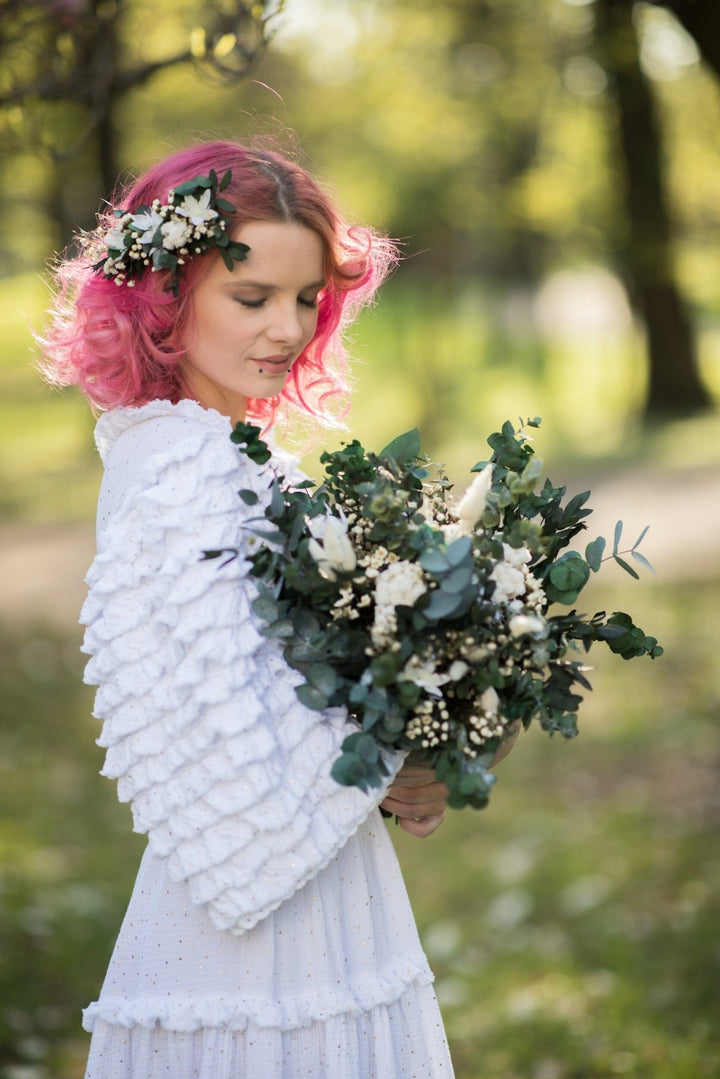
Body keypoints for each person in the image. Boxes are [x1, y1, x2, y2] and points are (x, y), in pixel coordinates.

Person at [41, 139, 455, 1078]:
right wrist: (394, 756)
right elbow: (231, 728)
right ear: (164, 295)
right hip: (256, 929)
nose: (287, 328)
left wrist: (439, 712)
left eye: (307, 298)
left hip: (316, 864)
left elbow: (289, 671)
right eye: (252, 297)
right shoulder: (185, 466)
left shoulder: (218, 450)